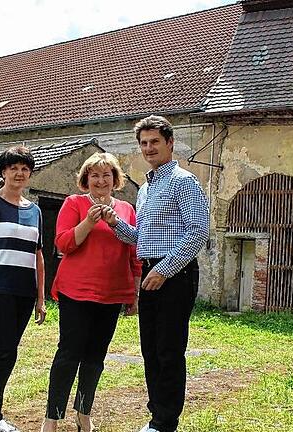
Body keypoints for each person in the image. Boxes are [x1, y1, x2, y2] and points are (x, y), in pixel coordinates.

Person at [102, 115, 209, 432]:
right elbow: (143, 239)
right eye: (144, 143)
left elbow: (197, 233)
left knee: (168, 350)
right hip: (151, 273)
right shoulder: (146, 189)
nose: (149, 148)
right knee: (150, 349)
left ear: (170, 143)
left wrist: (164, 270)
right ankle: (156, 418)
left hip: (174, 275)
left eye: (155, 142)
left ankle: (165, 422)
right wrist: (116, 224)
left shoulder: (184, 182)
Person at [40, 152, 142, 432]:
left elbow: (134, 253)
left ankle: (84, 412)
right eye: (94, 175)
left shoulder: (126, 209)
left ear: (115, 179)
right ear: (86, 179)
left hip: (112, 292)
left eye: (106, 175)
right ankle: (52, 416)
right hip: (77, 291)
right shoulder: (74, 203)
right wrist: (88, 222)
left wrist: (134, 292)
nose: (100, 180)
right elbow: (63, 244)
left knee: (96, 356)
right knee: (68, 354)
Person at [0, 145, 47, 432]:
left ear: (29, 175)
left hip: (25, 293)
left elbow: (38, 256)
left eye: (25, 169)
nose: (19, 173)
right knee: (3, 352)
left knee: (7, 352)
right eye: (13, 168)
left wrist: (41, 298)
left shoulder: (35, 211)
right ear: (3, 172)